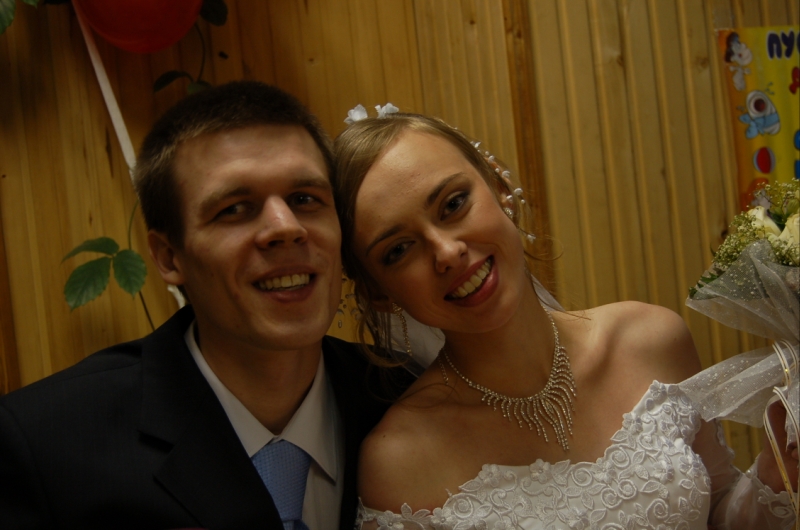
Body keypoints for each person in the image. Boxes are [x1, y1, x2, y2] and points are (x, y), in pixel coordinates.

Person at [331, 108, 797, 529]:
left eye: (453, 204)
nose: (447, 252)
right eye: (399, 249)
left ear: (499, 188)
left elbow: (717, 513)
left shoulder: (652, 341)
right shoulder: (399, 461)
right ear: (378, 293)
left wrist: (779, 474)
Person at [0, 82, 411, 530]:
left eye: (304, 199)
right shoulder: (45, 443)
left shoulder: (405, 397)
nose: (286, 227)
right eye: (234, 209)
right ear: (168, 257)